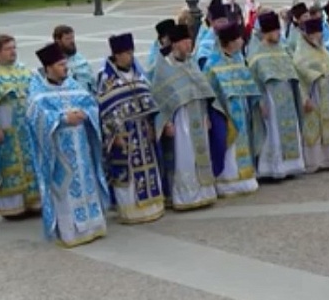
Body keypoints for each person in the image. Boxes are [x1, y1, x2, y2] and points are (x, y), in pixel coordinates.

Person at [27, 43, 109, 248]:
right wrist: (62, 119)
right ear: (49, 67)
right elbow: (35, 118)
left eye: (65, 64)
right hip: (59, 154)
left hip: (82, 150)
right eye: (61, 65)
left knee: (86, 184)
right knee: (66, 192)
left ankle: (94, 226)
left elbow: (90, 103)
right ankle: (70, 232)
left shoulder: (73, 85)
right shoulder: (38, 92)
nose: (65, 68)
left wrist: (87, 114)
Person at [151, 20, 224, 210]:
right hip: (180, 121)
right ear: (175, 44)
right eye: (185, 42)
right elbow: (160, 99)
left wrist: (207, 115)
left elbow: (202, 91)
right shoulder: (164, 67)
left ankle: (205, 193)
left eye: (190, 42)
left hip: (198, 118)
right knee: (184, 158)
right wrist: (165, 123)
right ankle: (185, 197)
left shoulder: (191, 64)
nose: (189, 45)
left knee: (201, 156)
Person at [96, 33, 167, 224]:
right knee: (127, 173)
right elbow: (104, 111)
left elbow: (150, 103)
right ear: (117, 55)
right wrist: (114, 136)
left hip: (143, 131)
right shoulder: (106, 82)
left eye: (131, 52)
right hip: (124, 135)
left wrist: (153, 125)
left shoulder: (139, 75)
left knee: (149, 168)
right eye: (126, 53)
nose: (130, 56)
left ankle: (153, 206)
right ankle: (130, 211)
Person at [0, 34, 41, 218]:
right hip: (6, 126)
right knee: (9, 164)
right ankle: (13, 207)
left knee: (30, 162)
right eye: (8, 49)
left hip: (25, 125)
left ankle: (34, 202)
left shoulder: (22, 69)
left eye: (14, 48)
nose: (13, 52)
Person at [201, 19, 262, 198]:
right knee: (229, 146)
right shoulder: (212, 64)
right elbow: (208, 94)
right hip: (224, 114)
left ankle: (246, 178)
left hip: (242, 110)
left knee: (243, 143)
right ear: (230, 42)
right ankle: (228, 182)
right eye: (239, 39)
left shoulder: (239, 59)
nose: (242, 41)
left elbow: (247, 83)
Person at [248, 10, 307, 180]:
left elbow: (293, 75)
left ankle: (291, 166)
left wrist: (300, 96)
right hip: (270, 100)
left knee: (290, 129)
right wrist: (259, 101)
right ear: (266, 32)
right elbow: (253, 81)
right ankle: (273, 168)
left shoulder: (283, 51)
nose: (278, 34)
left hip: (287, 98)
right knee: (272, 133)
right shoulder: (256, 55)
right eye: (275, 31)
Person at [294, 16, 329, 172]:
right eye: (315, 33)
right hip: (314, 95)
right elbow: (299, 78)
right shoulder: (300, 54)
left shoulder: (323, 50)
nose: (319, 36)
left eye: (320, 33)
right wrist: (304, 98)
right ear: (307, 35)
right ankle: (315, 161)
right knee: (315, 127)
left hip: (327, 94)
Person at [53, 25, 95, 93]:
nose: (72, 41)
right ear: (58, 41)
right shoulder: (53, 63)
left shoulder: (80, 58)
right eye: (67, 39)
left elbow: (92, 82)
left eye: (72, 38)